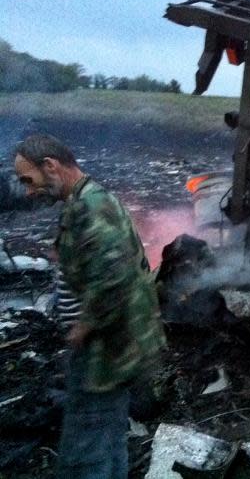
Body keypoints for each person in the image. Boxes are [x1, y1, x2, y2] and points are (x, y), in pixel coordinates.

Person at [14, 134, 165, 479]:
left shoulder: (90, 206)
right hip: (112, 345)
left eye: (28, 179)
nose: (27, 190)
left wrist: (82, 329)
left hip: (104, 350)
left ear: (50, 166)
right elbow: (102, 260)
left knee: (85, 451)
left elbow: (113, 278)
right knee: (107, 439)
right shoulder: (84, 201)